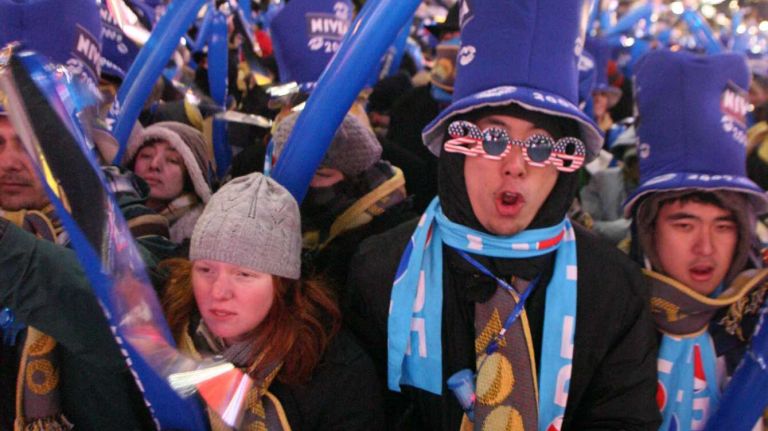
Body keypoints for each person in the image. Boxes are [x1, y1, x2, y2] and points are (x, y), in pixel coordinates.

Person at [346, 0, 660, 429]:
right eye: (493, 139)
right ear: (456, 151)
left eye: (541, 145)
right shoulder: (380, 270)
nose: (516, 166)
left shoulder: (612, 289)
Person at [161, 172, 385, 429]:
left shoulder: (336, 373)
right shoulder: (168, 328)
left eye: (244, 274)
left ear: (282, 283)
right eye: (205, 270)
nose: (219, 292)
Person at [624, 49, 768, 430]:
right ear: (648, 227)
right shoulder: (603, 314)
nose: (706, 248)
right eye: (684, 225)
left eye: (723, 226)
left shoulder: (758, 320)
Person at [271, 111, 414, 292]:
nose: (306, 183)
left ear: (356, 178)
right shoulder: (308, 229)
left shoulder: (389, 244)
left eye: (321, 174)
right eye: (294, 172)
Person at [123, 121, 216, 247]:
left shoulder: (197, 237)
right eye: (146, 155)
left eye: (172, 160)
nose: (154, 165)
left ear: (192, 175)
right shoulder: (109, 206)